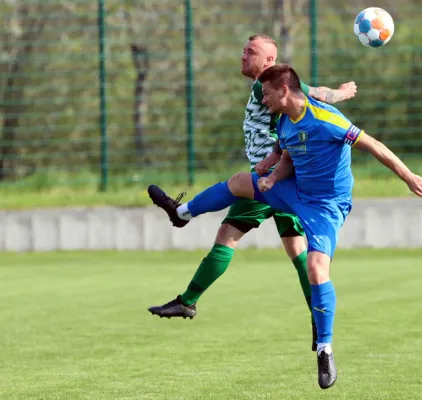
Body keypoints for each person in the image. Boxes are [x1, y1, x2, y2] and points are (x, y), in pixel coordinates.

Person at [147, 64, 422, 389]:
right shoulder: (284, 121)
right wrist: (271, 176)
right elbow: (289, 156)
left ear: (283, 90)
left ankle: (324, 348)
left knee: (315, 266)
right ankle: (182, 213)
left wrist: (408, 177)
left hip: (326, 205)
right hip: (294, 191)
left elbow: (374, 146)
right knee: (240, 182)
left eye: (266, 94)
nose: (263, 100)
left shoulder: (327, 119)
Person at [147, 34, 358, 352]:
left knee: (230, 234)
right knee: (295, 250)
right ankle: (315, 320)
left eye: (251, 52)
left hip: (272, 181)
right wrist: (339, 94)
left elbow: (311, 99)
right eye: (243, 50)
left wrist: (339, 94)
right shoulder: (274, 87)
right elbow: (312, 96)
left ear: (269, 61)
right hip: (278, 177)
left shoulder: (267, 87)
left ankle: (186, 263)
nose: (243, 56)